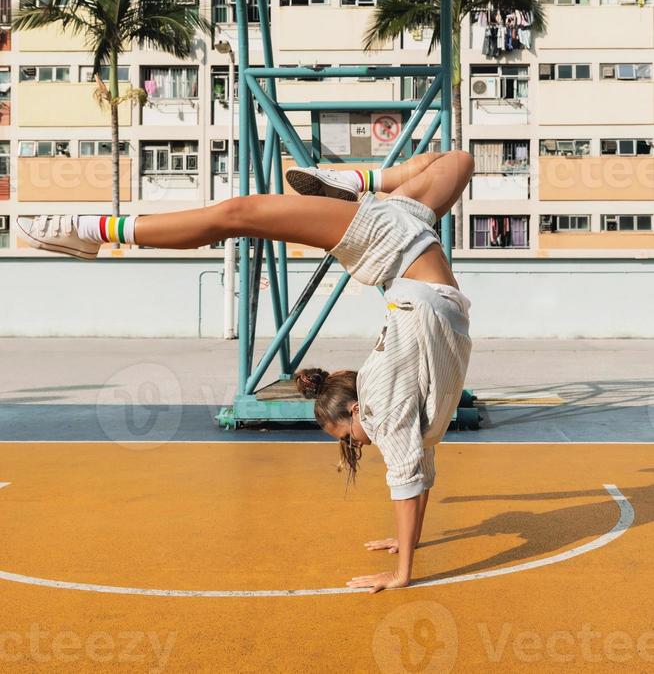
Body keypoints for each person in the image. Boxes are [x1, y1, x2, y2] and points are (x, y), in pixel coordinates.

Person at [16, 148, 474, 594]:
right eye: (347, 436)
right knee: (238, 213)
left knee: (459, 162)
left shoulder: (402, 413)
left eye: (348, 438)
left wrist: (407, 540)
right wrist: (403, 573)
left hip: (411, 253)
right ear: (355, 407)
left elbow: (417, 477)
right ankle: (88, 229)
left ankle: (355, 183)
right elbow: (409, 481)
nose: (358, 441)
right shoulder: (382, 410)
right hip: (399, 250)